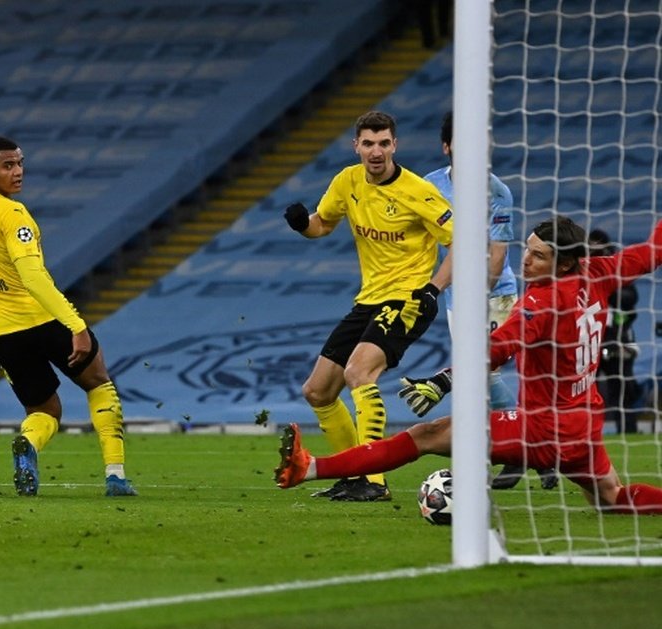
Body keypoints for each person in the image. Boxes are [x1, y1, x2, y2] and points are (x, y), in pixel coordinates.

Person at [275, 215, 662, 516]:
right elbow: (654, 250)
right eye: (527, 249)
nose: (525, 260)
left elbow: (496, 349)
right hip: (585, 425)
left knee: (427, 435)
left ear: (564, 265)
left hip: (545, 428)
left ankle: (309, 468)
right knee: (611, 498)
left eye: (539, 256)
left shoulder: (542, 303)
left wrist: (444, 380)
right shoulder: (599, 272)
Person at [0, 134, 137, 497]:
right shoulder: (12, 214)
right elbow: (33, 277)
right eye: (7, 165)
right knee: (98, 381)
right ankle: (115, 476)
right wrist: (76, 326)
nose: (18, 171)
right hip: (45, 319)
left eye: (20, 163)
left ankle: (28, 444)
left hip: (3, 334)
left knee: (45, 410)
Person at [281, 110, 454, 502]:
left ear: (395, 145)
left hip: (408, 298)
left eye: (384, 143)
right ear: (356, 145)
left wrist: (433, 289)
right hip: (369, 299)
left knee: (360, 373)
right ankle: (350, 473)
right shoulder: (347, 181)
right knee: (318, 391)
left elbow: (459, 243)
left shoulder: (418, 192)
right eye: (368, 143)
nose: (376, 152)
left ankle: (373, 479)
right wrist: (300, 224)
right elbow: (321, 225)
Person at [403, 111, 558, 491]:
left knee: (484, 373)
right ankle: (530, 454)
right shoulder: (429, 186)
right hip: (456, 295)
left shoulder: (497, 191)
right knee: (479, 378)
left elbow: (498, 254)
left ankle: (523, 452)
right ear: (446, 146)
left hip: (495, 294)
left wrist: (480, 293)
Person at [589, 229, 642, 434]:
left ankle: (628, 433)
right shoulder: (580, 270)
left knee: (622, 393)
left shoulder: (618, 269)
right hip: (589, 343)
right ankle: (584, 433)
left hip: (619, 343)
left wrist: (605, 284)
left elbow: (629, 300)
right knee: (583, 391)